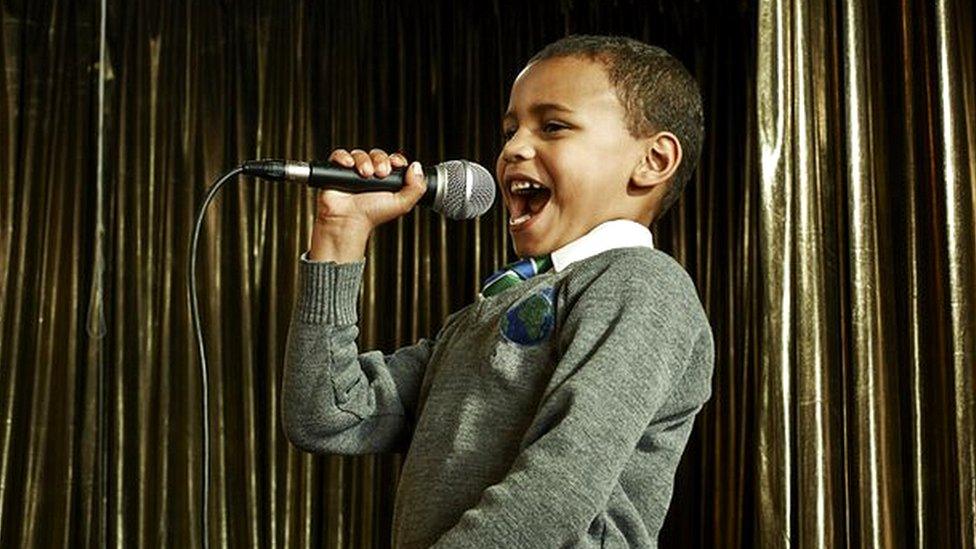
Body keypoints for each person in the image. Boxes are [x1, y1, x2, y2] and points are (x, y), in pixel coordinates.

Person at [282, 34, 714, 548]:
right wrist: (339, 233)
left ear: (654, 160)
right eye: (510, 130)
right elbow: (326, 416)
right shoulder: (484, 314)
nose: (512, 149)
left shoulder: (643, 284)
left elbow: (558, 486)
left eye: (553, 126)